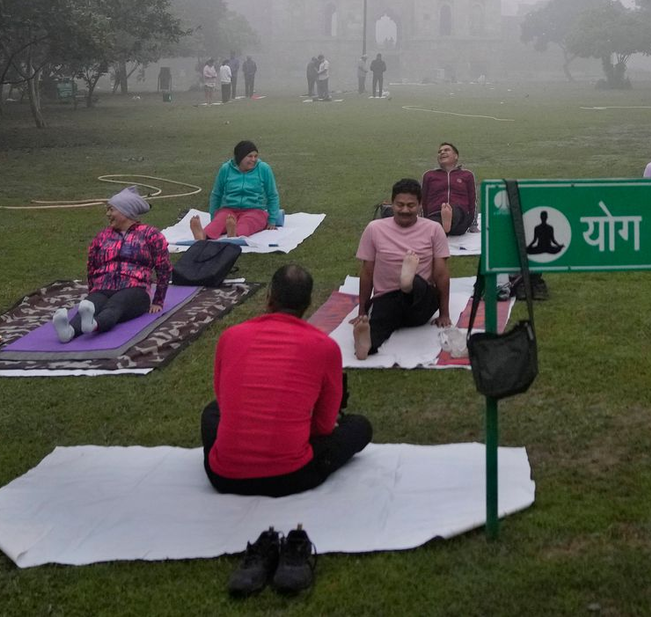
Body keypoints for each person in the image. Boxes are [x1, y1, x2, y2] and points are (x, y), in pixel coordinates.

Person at [201, 263, 372, 497]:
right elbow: (323, 426)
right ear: (308, 303)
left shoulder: (231, 336)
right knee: (359, 427)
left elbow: (223, 400)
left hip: (224, 477)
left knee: (211, 413)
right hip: (290, 476)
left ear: (269, 297)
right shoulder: (324, 347)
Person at [51, 187, 171, 343]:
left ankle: (95, 325)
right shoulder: (102, 236)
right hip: (104, 286)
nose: (108, 214)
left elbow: (164, 268)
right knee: (91, 305)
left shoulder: (151, 235)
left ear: (125, 211)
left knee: (116, 305)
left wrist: (158, 300)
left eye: (111, 209)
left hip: (135, 289)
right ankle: (69, 331)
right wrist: (92, 292)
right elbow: (92, 266)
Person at [352, 178, 450, 359]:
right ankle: (366, 346)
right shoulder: (375, 229)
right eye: (400, 205)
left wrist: (444, 314)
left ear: (420, 205)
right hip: (388, 299)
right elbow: (367, 272)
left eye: (411, 205)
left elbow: (441, 273)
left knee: (417, 284)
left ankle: (409, 282)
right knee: (379, 323)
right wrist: (362, 312)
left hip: (421, 302)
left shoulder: (434, 229)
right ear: (391, 203)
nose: (405, 210)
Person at [191, 140, 281, 240]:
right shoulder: (226, 169)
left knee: (247, 223)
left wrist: (272, 219)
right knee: (219, 221)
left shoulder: (264, 168)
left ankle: (234, 234)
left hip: (254, 210)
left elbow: (272, 195)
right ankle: (202, 235)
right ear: (240, 157)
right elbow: (216, 194)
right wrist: (214, 217)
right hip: (229, 209)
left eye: (255, 156)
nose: (253, 159)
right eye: (250, 156)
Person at [421, 141, 478, 235]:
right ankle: (443, 227)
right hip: (435, 215)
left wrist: (473, 225)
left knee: (453, 209)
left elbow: (473, 200)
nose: (442, 152)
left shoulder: (467, 175)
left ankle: (445, 226)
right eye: (440, 152)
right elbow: (423, 201)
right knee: (435, 220)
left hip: (460, 218)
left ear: (456, 156)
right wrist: (423, 221)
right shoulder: (429, 175)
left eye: (446, 150)